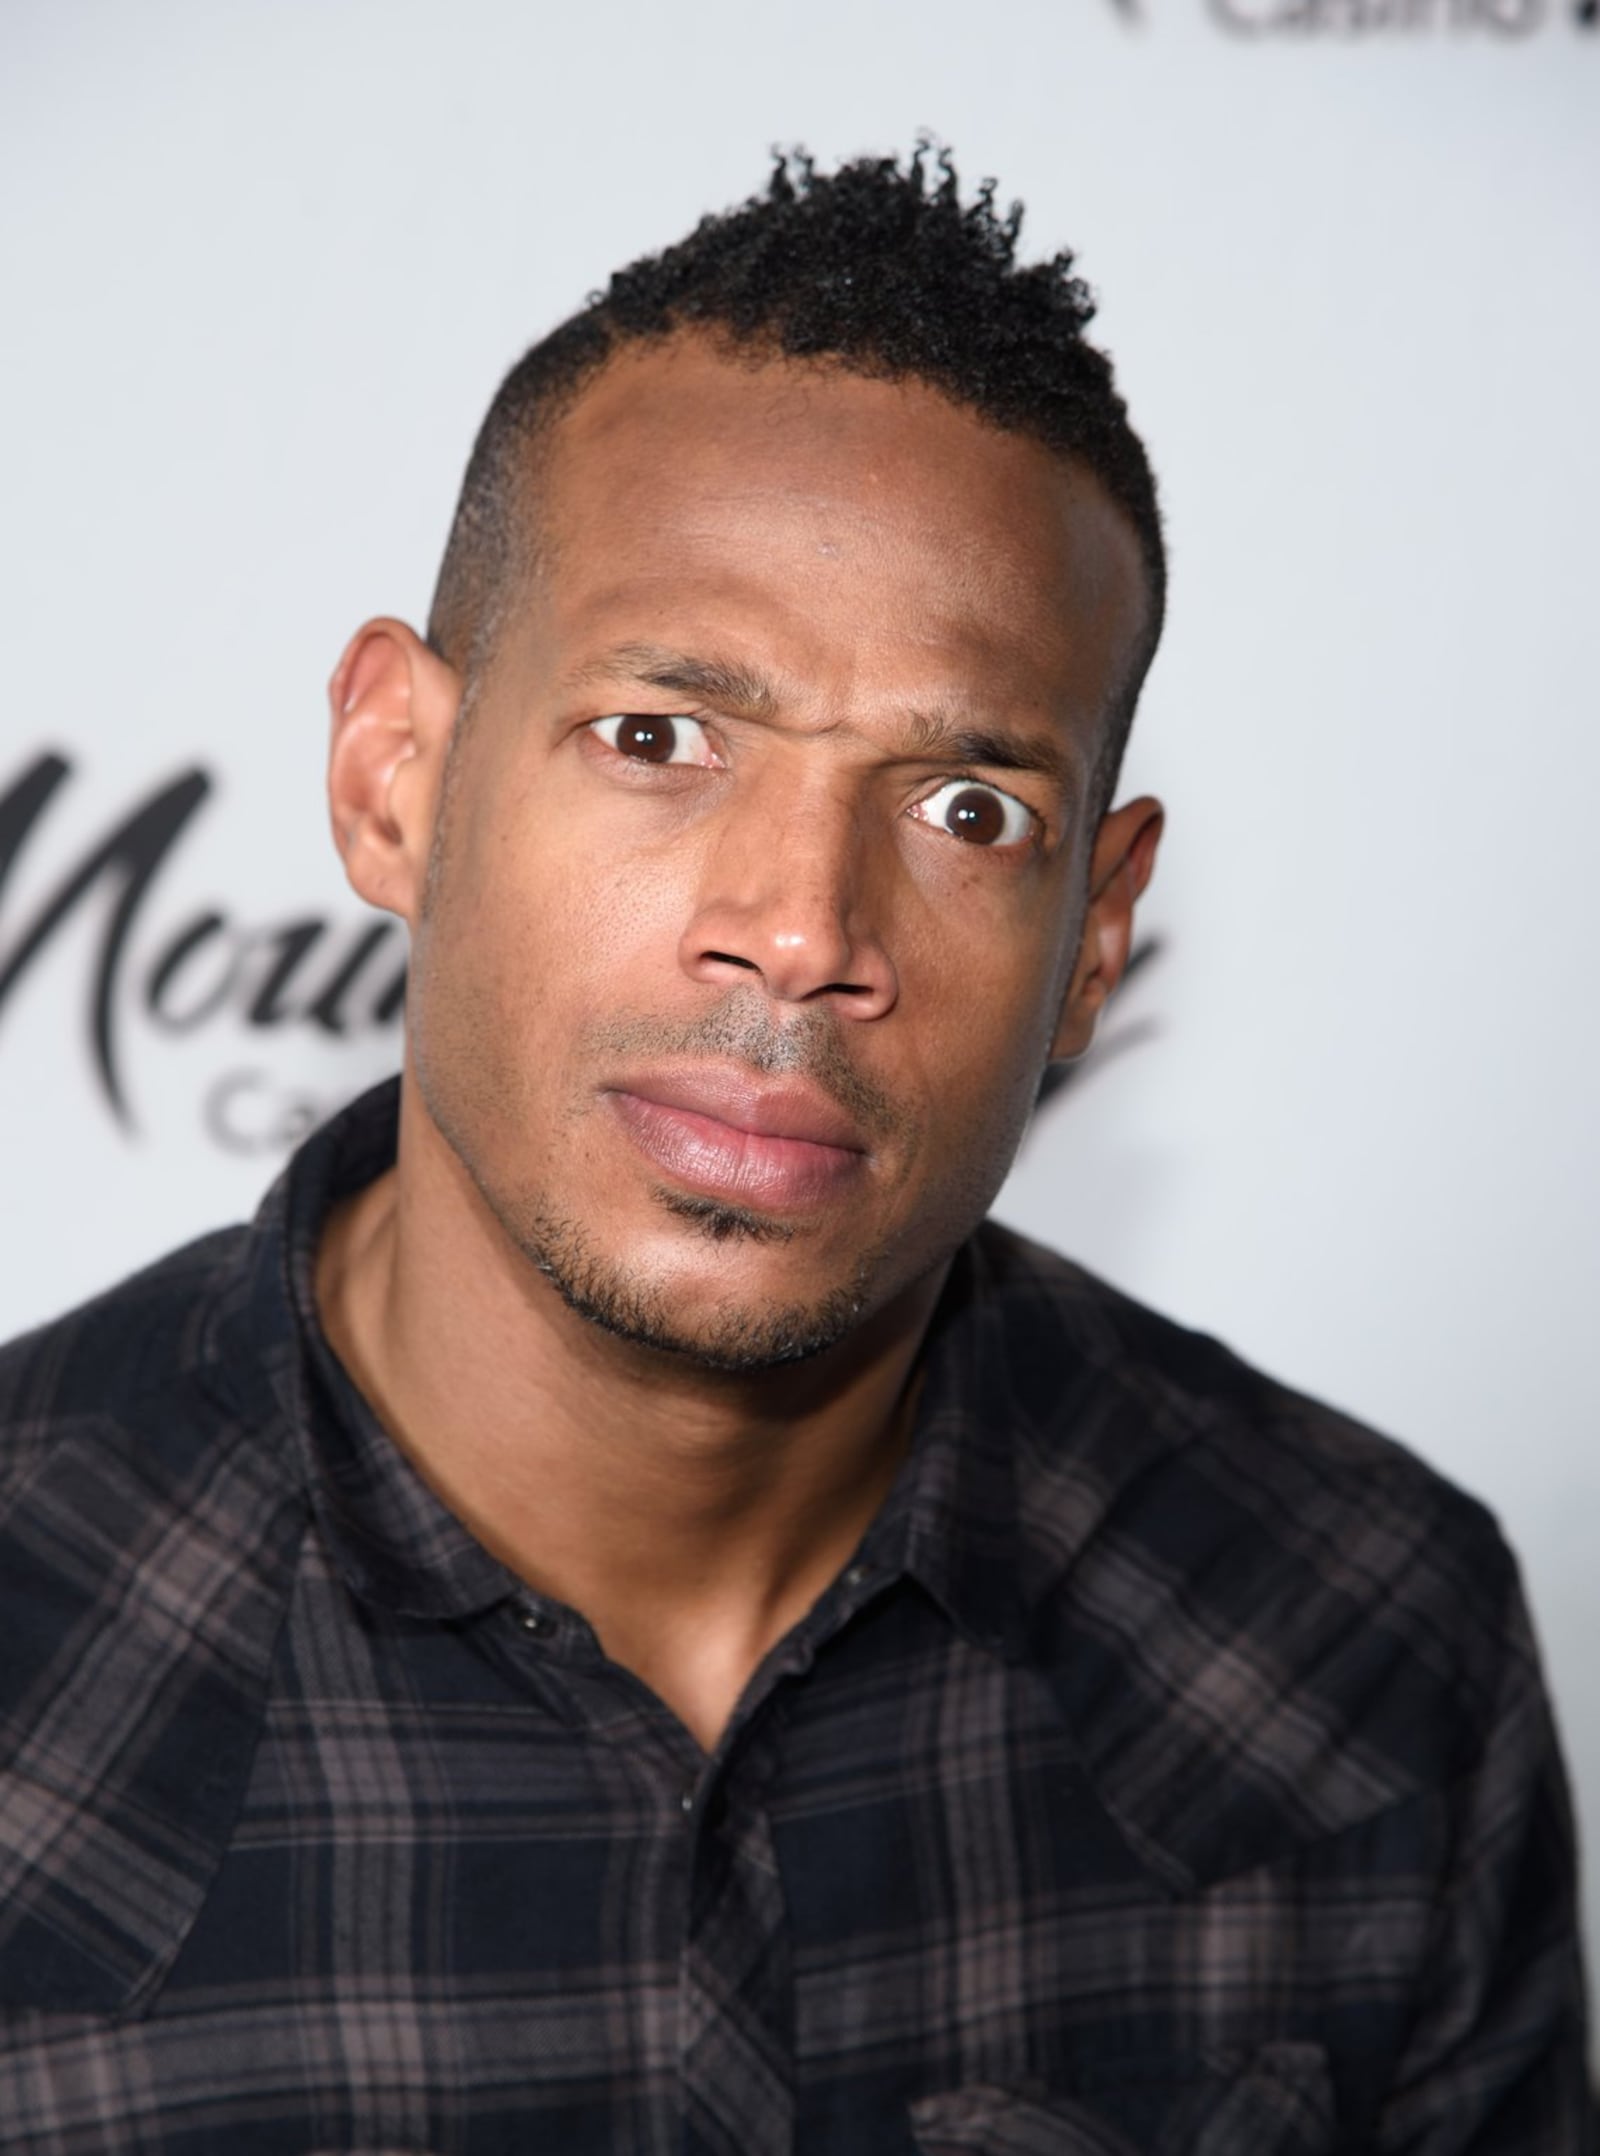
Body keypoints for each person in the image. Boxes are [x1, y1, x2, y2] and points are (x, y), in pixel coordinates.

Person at [0, 145, 1590, 2155]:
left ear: (1091, 937)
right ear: (394, 777)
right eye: (660, 736)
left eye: (963, 810)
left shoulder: (1357, 1639)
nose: (805, 927)